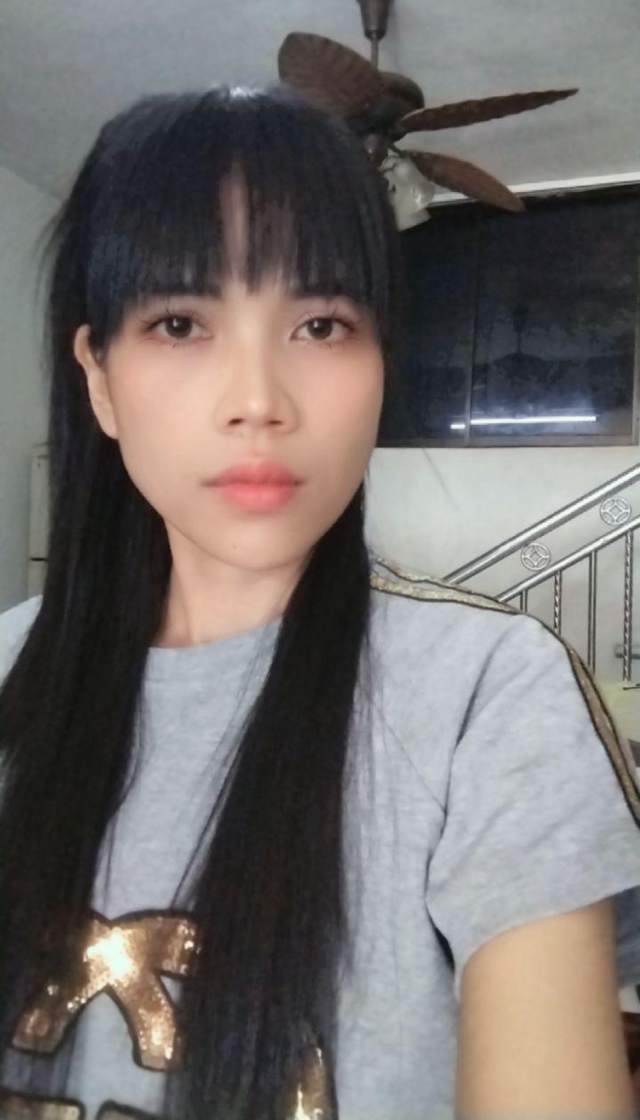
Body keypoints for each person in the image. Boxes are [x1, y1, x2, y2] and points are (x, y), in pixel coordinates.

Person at [0, 83, 639, 1120]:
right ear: (100, 379)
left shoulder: (487, 696)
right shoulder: (9, 676)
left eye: (322, 324)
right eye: (180, 322)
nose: (259, 400)